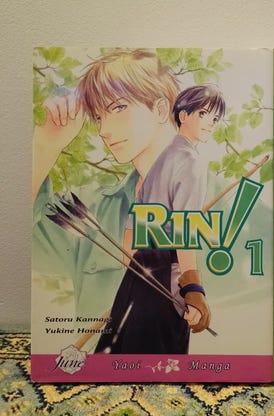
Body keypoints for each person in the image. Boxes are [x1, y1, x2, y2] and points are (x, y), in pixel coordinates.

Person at [33, 49, 188, 329]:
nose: (103, 130)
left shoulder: (227, 200)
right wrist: (45, 146)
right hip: (101, 357)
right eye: (98, 117)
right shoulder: (90, 208)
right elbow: (23, 243)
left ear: (160, 110)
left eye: (118, 108)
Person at [95, 85, 225, 354]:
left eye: (215, 118)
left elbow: (131, 233)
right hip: (166, 274)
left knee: (122, 353)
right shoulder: (190, 161)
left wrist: (136, 279)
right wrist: (192, 288)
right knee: (163, 361)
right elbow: (183, 232)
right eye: (203, 114)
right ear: (183, 115)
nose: (211, 123)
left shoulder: (161, 160)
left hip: (138, 273)